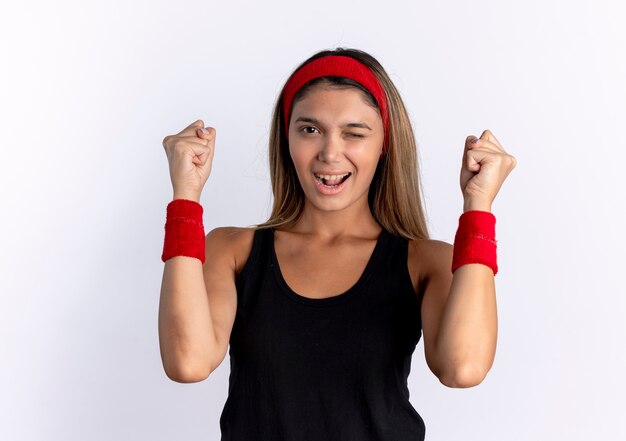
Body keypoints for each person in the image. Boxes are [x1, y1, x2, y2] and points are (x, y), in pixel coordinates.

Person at [158, 47, 517, 441]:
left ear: (384, 143)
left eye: (354, 133)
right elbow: (187, 362)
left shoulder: (424, 261)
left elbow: (462, 368)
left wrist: (478, 206)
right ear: (287, 138)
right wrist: (185, 197)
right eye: (310, 129)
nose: (329, 153)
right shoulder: (233, 251)